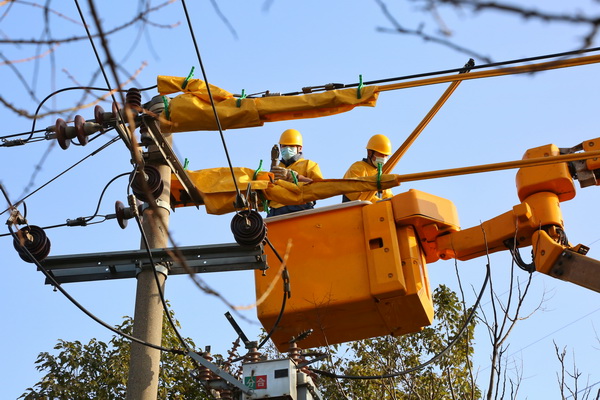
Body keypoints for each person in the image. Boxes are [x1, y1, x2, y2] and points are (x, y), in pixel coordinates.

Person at [268, 129, 323, 216]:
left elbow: (319, 188)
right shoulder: (277, 168)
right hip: (275, 211)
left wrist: (295, 177)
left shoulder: (309, 164)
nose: (287, 149)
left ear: (300, 148)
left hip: (300, 207)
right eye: (284, 146)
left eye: (291, 146)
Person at [342, 134, 394, 203]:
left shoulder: (382, 175)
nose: (383, 158)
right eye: (380, 154)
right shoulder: (358, 168)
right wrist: (379, 202)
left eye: (386, 155)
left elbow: (388, 196)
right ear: (370, 153)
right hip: (356, 211)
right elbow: (356, 194)